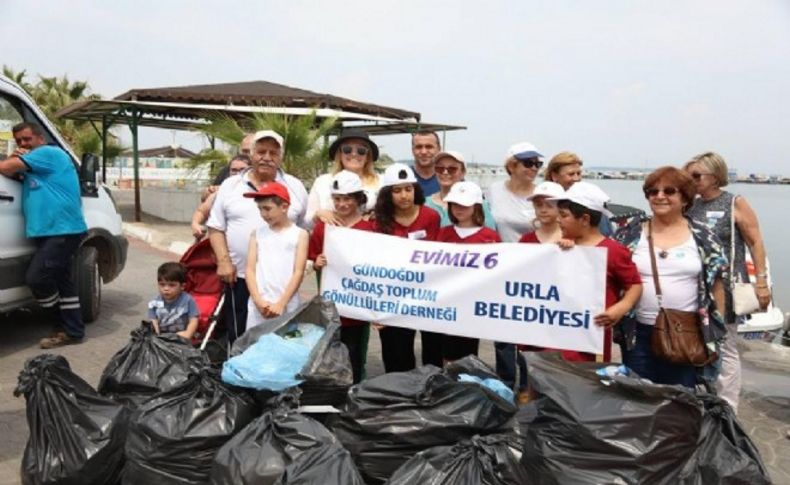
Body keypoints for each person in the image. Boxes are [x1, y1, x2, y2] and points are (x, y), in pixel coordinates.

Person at [614, 167, 727, 388]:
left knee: (680, 401)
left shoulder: (704, 236)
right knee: (638, 398)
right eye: (652, 191)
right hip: (636, 333)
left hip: (685, 332)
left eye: (669, 191)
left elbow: (717, 284)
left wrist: (716, 329)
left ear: (685, 197)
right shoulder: (629, 233)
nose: (660, 196)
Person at [684, 153, 768, 409]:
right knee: (697, 339)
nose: (692, 181)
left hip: (727, 285)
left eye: (697, 176)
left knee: (725, 344)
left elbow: (755, 241)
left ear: (715, 176)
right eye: (689, 176)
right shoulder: (691, 205)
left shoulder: (734, 203)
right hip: (696, 283)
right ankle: (703, 397)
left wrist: (761, 281)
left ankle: (728, 405)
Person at [206, 130, 307, 342]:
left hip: (281, 284)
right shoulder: (230, 185)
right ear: (251, 154)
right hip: (240, 277)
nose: (267, 157)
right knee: (240, 334)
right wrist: (224, 262)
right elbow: (215, 227)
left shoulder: (296, 187)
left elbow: (305, 227)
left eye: (273, 152)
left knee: (281, 339)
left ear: (281, 157)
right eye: (261, 151)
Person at [0, 122, 88, 349]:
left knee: (37, 278)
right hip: (52, 231)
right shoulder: (34, 166)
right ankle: (74, 330)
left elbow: (6, 167)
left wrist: (11, 158)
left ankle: (60, 324)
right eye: (18, 141)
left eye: (26, 139)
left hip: (62, 230)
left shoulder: (47, 153)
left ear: (39, 138)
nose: (23, 144)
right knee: (63, 281)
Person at [554, 181, 643, 362]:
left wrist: (620, 308)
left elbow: (634, 284)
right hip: (558, 333)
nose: (558, 220)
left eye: (564, 215)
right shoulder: (563, 246)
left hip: (592, 341)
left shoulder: (613, 250)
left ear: (585, 219)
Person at [372, 162, 441, 372]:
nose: (404, 195)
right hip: (395, 296)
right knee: (396, 354)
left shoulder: (431, 217)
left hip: (428, 295)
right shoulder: (379, 222)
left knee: (434, 351)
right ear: (387, 194)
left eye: (408, 189)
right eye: (397, 190)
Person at [309, 170, 375, 382]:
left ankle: (355, 391)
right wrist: (317, 262)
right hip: (330, 307)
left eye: (347, 199)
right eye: (337, 199)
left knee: (355, 355)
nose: (342, 204)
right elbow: (311, 259)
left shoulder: (370, 230)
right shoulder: (322, 228)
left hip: (357, 308)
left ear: (358, 199)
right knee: (330, 354)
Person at [485, 141, 542, 388]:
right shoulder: (493, 190)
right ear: (512, 165)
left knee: (531, 332)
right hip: (503, 268)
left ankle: (529, 385)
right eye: (528, 163)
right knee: (503, 334)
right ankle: (506, 383)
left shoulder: (542, 194)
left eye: (537, 164)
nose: (534, 168)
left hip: (535, 270)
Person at [435, 181, 501, 362]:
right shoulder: (443, 233)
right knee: (447, 350)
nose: (459, 209)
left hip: (472, 304)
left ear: (476, 206)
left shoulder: (490, 237)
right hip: (447, 302)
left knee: (469, 351)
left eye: (464, 204)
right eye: (455, 204)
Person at [243, 182, 309, 329]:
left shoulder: (300, 234)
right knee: (255, 344)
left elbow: (298, 272)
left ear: (284, 207)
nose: (263, 214)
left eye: (268, 209)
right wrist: (258, 301)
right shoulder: (257, 234)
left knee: (285, 345)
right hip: (259, 304)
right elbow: (250, 270)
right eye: (260, 209)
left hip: (288, 303)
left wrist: (281, 303)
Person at [306, 128, 380, 226]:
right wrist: (319, 214)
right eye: (347, 149)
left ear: (368, 156)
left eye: (361, 150)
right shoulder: (322, 182)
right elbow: (306, 220)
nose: (354, 154)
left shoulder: (381, 182)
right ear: (339, 154)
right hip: (331, 236)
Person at [424, 150, 496, 229]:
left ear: (463, 172)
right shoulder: (424, 203)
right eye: (440, 168)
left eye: (452, 169)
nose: (445, 172)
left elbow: (489, 234)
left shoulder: (478, 203)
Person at [191, 155, 250, 238]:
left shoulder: (259, 192)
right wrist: (195, 224)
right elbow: (201, 211)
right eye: (234, 170)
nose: (237, 173)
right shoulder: (222, 192)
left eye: (242, 169)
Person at [147, 262, 199, 340]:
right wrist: (157, 336)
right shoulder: (154, 302)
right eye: (162, 284)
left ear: (182, 286)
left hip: (181, 336)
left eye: (171, 285)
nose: (166, 289)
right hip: (162, 336)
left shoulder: (188, 300)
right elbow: (153, 321)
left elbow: (194, 320)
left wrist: (187, 334)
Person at [201, 133, 256, 202]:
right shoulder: (226, 170)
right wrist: (209, 191)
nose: (249, 155)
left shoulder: (268, 171)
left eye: (252, 151)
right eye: (245, 151)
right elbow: (208, 197)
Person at [411, 131, 441, 196]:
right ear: (412, 150)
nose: (423, 152)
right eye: (419, 147)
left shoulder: (450, 178)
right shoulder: (402, 178)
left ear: (439, 149)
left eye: (429, 147)